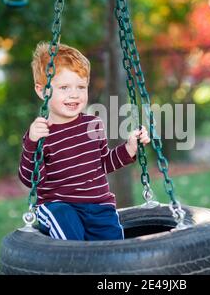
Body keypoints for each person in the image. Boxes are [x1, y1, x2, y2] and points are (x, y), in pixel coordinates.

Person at [18, 42, 150, 241]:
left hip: (99, 207)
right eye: (64, 87)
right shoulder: (40, 133)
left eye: (81, 87)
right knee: (67, 224)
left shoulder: (93, 124)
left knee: (115, 248)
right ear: (42, 90)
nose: (74, 94)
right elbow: (31, 180)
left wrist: (130, 148)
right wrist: (32, 143)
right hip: (58, 207)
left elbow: (102, 163)